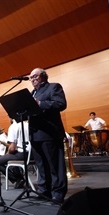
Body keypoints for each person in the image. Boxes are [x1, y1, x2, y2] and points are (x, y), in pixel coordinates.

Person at [28, 68, 68, 203]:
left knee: (54, 164)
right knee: (41, 165)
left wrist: (41, 104)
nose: (32, 79)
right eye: (30, 77)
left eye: (35, 76)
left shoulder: (53, 87)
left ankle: (58, 192)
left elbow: (61, 104)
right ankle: (44, 190)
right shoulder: (32, 93)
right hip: (35, 134)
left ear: (43, 76)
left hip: (50, 133)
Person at [0, 119, 29, 189]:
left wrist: (7, 153)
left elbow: (12, 148)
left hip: (21, 154)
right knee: (10, 157)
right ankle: (19, 178)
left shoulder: (14, 126)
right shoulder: (28, 124)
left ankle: (17, 179)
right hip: (31, 155)